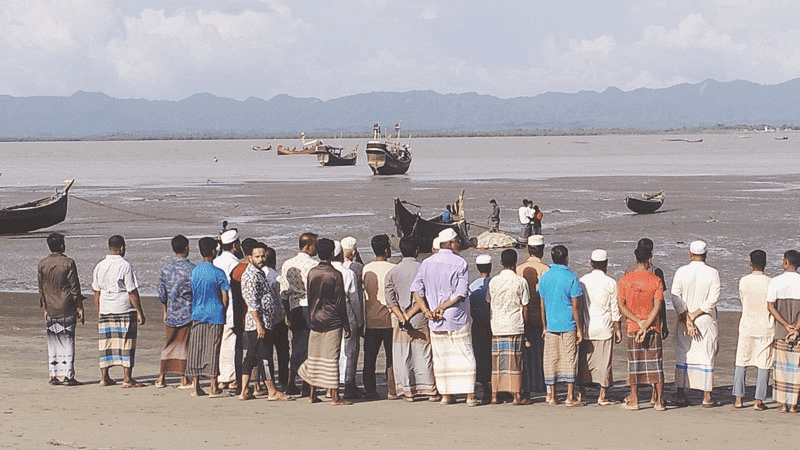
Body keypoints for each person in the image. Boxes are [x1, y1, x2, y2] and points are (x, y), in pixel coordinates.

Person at [411, 228, 478, 406]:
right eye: (457, 241)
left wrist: (427, 310)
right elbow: (460, 293)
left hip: (434, 318)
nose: (459, 244)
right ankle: (470, 395)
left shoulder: (426, 263)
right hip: (456, 316)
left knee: (442, 358)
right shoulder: (460, 263)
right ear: (449, 243)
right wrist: (442, 307)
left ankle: (447, 395)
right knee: (465, 354)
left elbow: (417, 289)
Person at [385, 236, 440, 402]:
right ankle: (429, 390)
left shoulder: (392, 272)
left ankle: (408, 392)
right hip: (420, 317)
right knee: (423, 356)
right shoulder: (423, 269)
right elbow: (424, 296)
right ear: (416, 251)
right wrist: (410, 314)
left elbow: (390, 298)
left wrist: (402, 317)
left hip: (400, 320)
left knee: (403, 356)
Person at [297, 238, 352, 406]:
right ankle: (335, 396)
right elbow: (340, 302)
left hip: (315, 319)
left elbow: (311, 296)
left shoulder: (312, 272)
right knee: (331, 357)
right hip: (332, 320)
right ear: (332, 254)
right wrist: (346, 323)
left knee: (314, 357)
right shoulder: (335, 274)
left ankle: (312, 393)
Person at [239, 242, 291, 401]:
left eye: (263, 256)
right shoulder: (251, 275)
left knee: (251, 357)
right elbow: (251, 303)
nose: (261, 259)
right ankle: (272, 390)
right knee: (265, 357)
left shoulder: (258, 273)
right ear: (250, 257)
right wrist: (259, 324)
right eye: (257, 256)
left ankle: (244, 391)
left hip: (263, 321)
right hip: (257, 323)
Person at [672, 240, 721, 408]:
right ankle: (707, 397)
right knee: (706, 354)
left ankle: (680, 395)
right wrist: (694, 315)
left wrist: (687, 316)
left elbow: (675, 296)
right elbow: (713, 299)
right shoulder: (713, 272)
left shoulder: (681, 271)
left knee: (683, 353)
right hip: (704, 319)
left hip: (684, 319)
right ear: (706, 254)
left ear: (690, 254)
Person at [92, 235, 145, 388]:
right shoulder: (125, 265)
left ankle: (104, 377)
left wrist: (98, 311)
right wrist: (139, 311)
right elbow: (132, 291)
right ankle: (127, 378)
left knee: (106, 343)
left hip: (106, 308)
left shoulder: (100, 266)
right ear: (121, 248)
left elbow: (96, 292)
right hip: (123, 308)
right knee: (126, 342)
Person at [618, 247, 665, 411]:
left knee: (634, 363)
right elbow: (657, 306)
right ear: (649, 259)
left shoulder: (625, 280)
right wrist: (645, 324)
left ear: (635, 259)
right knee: (656, 364)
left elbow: (621, 305)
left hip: (633, 326)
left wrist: (638, 322)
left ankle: (635, 399)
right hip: (652, 327)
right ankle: (659, 401)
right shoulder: (656, 280)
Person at [38, 232, 85, 386]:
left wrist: (44, 307)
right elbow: (74, 288)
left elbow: (41, 288)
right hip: (66, 305)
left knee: (53, 341)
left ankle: (54, 374)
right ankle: (68, 375)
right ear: (62, 245)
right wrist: (80, 306)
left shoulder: (42, 263)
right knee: (68, 340)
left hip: (51, 306)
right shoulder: (68, 263)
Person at [538, 244, 583, 406]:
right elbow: (576, 306)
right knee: (569, 358)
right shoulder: (571, 278)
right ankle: (570, 396)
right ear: (566, 259)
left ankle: (553, 395)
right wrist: (579, 328)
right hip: (568, 323)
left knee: (551, 360)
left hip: (551, 324)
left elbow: (542, 305)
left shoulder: (545, 277)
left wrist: (544, 325)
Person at [186, 237, 229, 398]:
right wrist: (223, 310)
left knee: (196, 349)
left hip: (198, 312)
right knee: (213, 349)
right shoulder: (218, 272)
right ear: (214, 251)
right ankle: (213, 386)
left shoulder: (195, 271)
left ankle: (196, 386)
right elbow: (225, 297)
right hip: (215, 314)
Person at [577, 249, 621, 406]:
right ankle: (602, 394)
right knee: (604, 362)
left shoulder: (582, 281)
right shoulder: (610, 282)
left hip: (587, 327)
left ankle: (581, 393)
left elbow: (578, 306)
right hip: (604, 327)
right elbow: (614, 308)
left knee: (585, 362)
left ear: (591, 263)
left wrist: (578, 328)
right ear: (606, 264)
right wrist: (618, 328)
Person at [488, 249, 530, 405]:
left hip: (498, 325)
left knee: (498, 362)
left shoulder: (493, 282)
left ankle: (495, 395)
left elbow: (490, 303)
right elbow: (525, 306)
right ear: (516, 263)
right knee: (515, 362)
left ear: (501, 262)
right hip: (514, 325)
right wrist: (525, 326)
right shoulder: (520, 281)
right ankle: (516, 396)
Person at [733, 250, 773, 410]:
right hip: (766, 326)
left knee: (741, 361)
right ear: (765, 263)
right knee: (764, 363)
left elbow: (743, 300)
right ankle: (759, 401)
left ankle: (738, 399)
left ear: (751, 263)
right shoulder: (771, 282)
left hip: (747, 325)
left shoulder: (744, 281)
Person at [280, 232, 319, 395]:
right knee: (309, 348)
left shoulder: (287, 264)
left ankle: (292, 382)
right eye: (314, 245)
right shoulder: (313, 265)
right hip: (310, 307)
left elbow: (283, 292)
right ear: (308, 246)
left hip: (295, 307)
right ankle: (304, 384)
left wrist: (287, 313)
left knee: (297, 346)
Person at [156, 234, 195, 389]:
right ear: (187, 248)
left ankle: (161, 377)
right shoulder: (192, 268)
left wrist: (164, 311)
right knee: (183, 345)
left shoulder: (166, 268)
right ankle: (183, 378)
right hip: (187, 311)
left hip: (171, 311)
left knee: (169, 344)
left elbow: (162, 293)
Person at [362, 234, 397, 399]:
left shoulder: (366, 269)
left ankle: (370, 389)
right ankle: (392, 389)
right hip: (390, 320)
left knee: (369, 358)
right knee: (391, 357)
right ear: (386, 250)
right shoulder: (392, 268)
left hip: (371, 319)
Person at [766, 249, 800, 413]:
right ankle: (793, 405)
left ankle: (782, 404)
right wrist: (796, 328)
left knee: (780, 368)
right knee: (796, 369)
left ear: (786, 262)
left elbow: (771, 307)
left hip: (781, 331)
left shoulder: (776, 281)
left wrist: (786, 325)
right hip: (798, 332)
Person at [516, 235, 548, 398]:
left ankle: (526, 385)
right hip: (542, 317)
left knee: (525, 354)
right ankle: (540, 385)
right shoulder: (546, 270)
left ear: (528, 249)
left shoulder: (518, 269)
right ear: (542, 250)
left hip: (522, 316)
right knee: (541, 352)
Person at [331, 240, 363, 398]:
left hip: (327, 319)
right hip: (347, 317)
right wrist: (359, 321)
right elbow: (354, 301)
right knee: (349, 352)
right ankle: (348, 386)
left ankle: (331, 387)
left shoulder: (317, 271)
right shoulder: (347, 273)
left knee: (331, 353)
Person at [213, 229, 243, 392]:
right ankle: (229, 378)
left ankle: (221, 377)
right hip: (231, 308)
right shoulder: (234, 263)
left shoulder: (216, 261)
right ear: (234, 246)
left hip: (218, 308)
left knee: (221, 343)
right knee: (230, 344)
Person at [262, 245, 290, 389]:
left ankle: (269, 379)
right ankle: (284, 379)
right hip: (278, 318)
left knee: (267, 351)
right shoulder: (277, 277)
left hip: (265, 319)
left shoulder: (260, 275)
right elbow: (283, 297)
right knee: (282, 350)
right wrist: (287, 314)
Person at [469, 254, 493, 401]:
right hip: (493, 324)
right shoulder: (494, 283)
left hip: (478, 325)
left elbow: (471, 309)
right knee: (493, 355)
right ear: (490, 267)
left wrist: (480, 322)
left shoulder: (472, 286)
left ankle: (484, 387)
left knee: (480, 356)